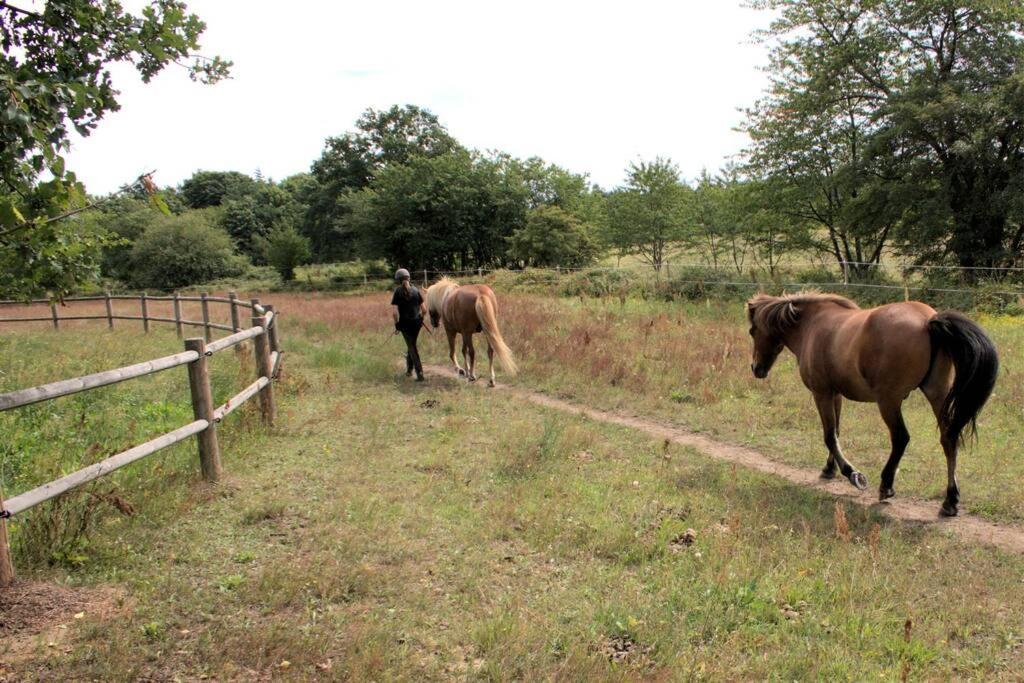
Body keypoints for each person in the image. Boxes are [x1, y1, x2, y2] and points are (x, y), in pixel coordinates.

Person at [391, 268, 427, 381]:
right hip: (416, 324)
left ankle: (420, 374)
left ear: (398, 280)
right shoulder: (416, 290)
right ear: (408, 278)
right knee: (411, 346)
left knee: (412, 348)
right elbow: (424, 310)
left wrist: (396, 325)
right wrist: (421, 319)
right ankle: (409, 370)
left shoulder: (397, 292)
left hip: (405, 325)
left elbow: (394, 313)